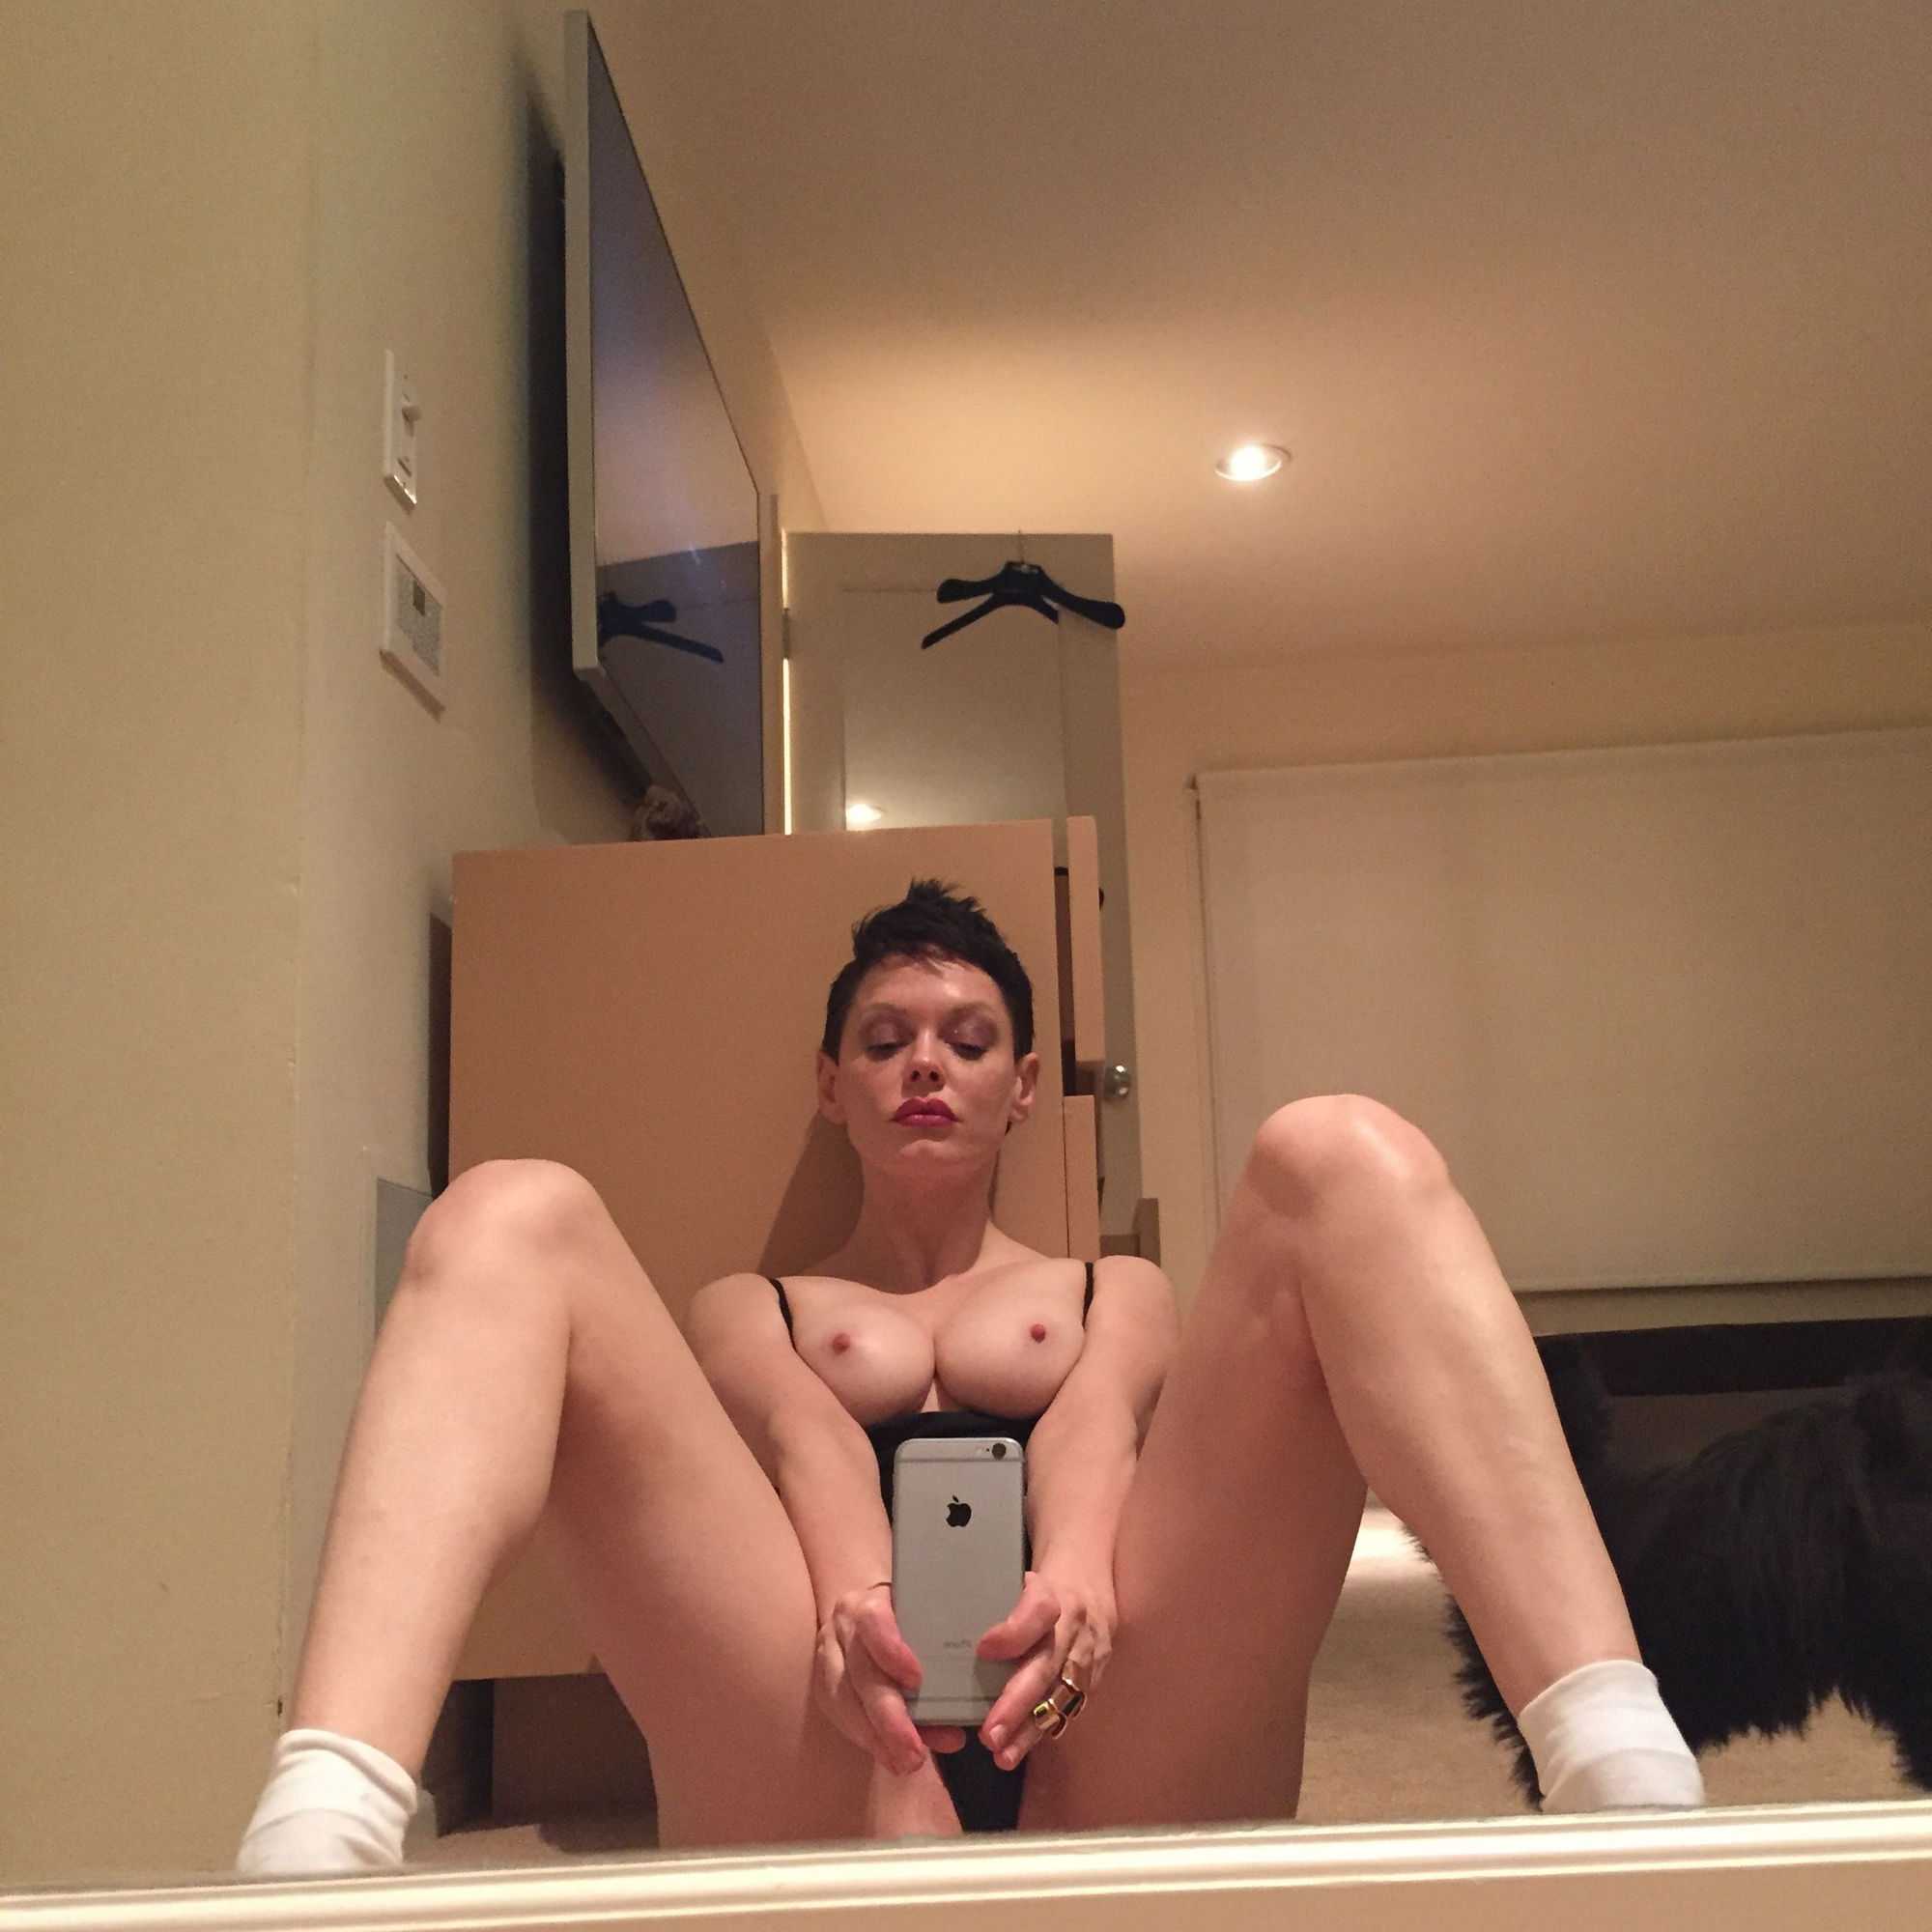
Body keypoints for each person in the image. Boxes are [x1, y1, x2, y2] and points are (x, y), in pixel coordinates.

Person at [239, 880, 1701, 1871]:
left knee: (1339, 1153)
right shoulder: (752, 1303)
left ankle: (1620, 1765)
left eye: (969, 1039)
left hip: (1103, 1742)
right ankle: (324, 1826)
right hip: (832, 1751)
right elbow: (808, 1441)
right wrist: (857, 1617)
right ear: (834, 1087)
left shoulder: (1110, 1286)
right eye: (884, 1041)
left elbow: (1095, 1430)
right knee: (513, 1212)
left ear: (1023, 1083)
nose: (925, 1065)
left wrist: (1077, 1583)